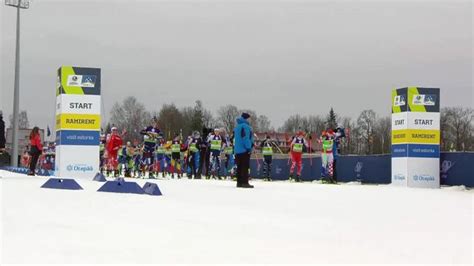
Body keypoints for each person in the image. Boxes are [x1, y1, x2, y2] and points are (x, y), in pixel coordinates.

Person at [234, 113, 254, 188]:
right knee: (245, 166)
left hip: (237, 150)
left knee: (239, 166)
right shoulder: (246, 126)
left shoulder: (237, 127)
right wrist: (249, 147)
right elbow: (246, 137)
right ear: (247, 119)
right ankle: (245, 182)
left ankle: (239, 182)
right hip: (244, 150)